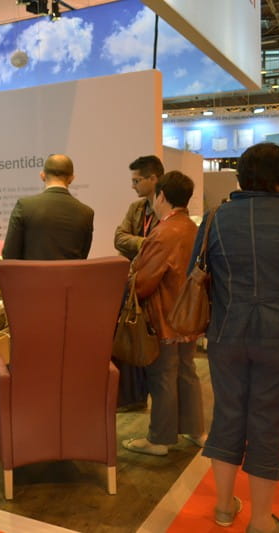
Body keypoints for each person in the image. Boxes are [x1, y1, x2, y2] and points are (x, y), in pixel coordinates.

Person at [198, 143, 279, 532]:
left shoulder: (215, 218)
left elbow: (197, 273)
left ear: (241, 177)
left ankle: (223, 508)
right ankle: (262, 521)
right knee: (269, 422)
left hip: (226, 333)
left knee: (227, 414)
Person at [121, 171, 205, 457]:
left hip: (164, 316)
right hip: (189, 315)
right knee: (186, 371)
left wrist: (131, 277)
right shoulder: (193, 228)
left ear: (161, 197)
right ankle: (195, 429)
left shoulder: (163, 232)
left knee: (163, 376)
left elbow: (144, 282)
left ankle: (159, 439)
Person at [113, 155, 165, 412]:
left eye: (136, 181)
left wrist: (141, 246)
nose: (132, 186)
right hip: (134, 284)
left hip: (158, 287)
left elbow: (166, 248)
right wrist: (147, 244)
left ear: (153, 179)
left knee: (157, 351)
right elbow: (119, 238)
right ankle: (134, 398)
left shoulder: (169, 209)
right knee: (130, 339)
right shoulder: (136, 208)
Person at [2, 154, 93, 260]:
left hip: (32, 271)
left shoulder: (24, 206)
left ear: (42, 176)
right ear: (71, 179)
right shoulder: (87, 213)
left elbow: (9, 255)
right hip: (70, 272)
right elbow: (82, 258)